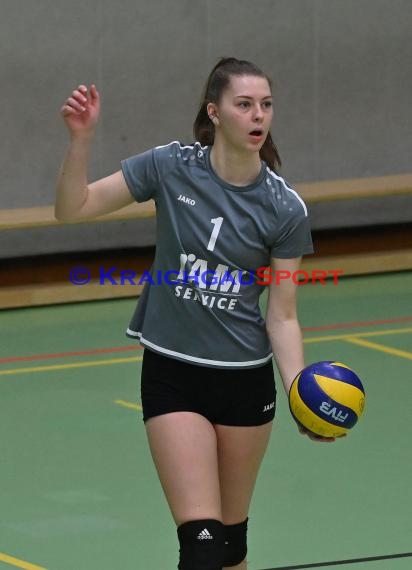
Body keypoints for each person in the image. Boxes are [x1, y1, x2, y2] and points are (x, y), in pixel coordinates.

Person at [56, 57, 335, 570]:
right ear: (215, 111)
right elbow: (74, 208)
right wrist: (81, 140)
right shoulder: (170, 165)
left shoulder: (284, 208)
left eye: (266, 105)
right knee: (201, 545)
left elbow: (283, 315)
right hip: (173, 372)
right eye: (245, 104)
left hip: (244, 382)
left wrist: (300, 391)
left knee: (231, 547)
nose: (258, 116)